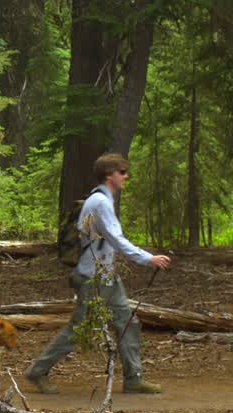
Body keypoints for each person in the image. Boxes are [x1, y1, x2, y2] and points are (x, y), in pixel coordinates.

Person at [25, 153, 172, 395]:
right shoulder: (100, 202)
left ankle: (134, 379)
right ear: (109, 175)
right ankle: (38, 371)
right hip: (93, 278)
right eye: (122, 172)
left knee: (127, 322)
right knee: (78, 329)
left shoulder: (101, 200)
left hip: (106, 277)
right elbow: (116, 239)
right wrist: (148, 258)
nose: (126, 176)